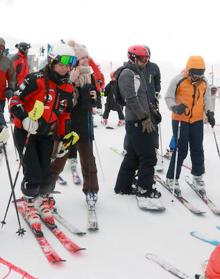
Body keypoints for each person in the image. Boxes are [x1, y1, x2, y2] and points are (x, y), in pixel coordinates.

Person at [9, 43, 77, 234]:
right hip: (27, 133)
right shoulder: (36, 79)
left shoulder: (68, 87)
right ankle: (29, 203)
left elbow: (64, 115)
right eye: (61, 63)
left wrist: (65, 137)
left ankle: (41, 200)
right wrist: (24, 118)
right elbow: (15, 100)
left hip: (47, 135)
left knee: (47, 175)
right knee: (34, 174)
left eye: (69, 64)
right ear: (52, 61)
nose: (65, 68)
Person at [52, 40, 99, 206]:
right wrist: (72, 84)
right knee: (59, 158)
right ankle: (45, 192)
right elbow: (64, 101)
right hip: (68, 123)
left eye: (87, 57)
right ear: (76, 60)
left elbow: (96, 99)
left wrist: (95, 98)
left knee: (88, 158)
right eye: (83, 58)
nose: (86, 60)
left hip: (84, 122)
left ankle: (91, 190)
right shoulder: (67, 75)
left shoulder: (89, 75)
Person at [114, 45, 162, 208]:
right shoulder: (128, 73)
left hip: (139, 120)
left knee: (133, 155)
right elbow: (131, 99)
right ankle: (144, 189)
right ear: (132, 58)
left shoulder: (136, 72)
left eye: (147, 58)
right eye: (142, 58)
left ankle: (123, 186)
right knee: (148, 157)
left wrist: (150, 110)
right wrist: (144, 118)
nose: (145, 61)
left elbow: (141, 96)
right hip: (137, 121)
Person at [165, 55, 214, 195]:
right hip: (180, 119)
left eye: (199, 75)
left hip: (197, 120)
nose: (196, 78)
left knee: (198, 149)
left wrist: (209, 113)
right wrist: (174, 107)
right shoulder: (178, 80)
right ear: (188, 70)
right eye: (194, 75)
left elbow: (207, 99)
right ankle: (171, 178)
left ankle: (198, 178)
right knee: (181, 149)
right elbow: (168, 97)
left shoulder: (204, 83)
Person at [0, 37, 16, 113]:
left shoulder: (7, 62)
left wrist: (10, 88)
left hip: (1, 96)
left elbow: (12, 77)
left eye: (1, 47)